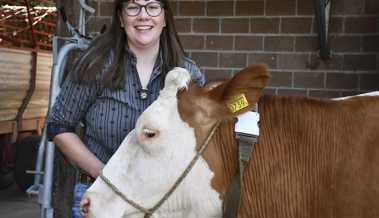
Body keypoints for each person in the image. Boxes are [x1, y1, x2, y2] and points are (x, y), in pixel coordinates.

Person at [46, 0, 205, 217]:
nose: (143, 15)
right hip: (101, 195)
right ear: (121, 18)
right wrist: (104, 174)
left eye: (152, 6)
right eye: (133, 7)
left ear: (164, 18)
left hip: (163, 201)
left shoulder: (188, 74)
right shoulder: (96, 65)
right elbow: (58, 126)